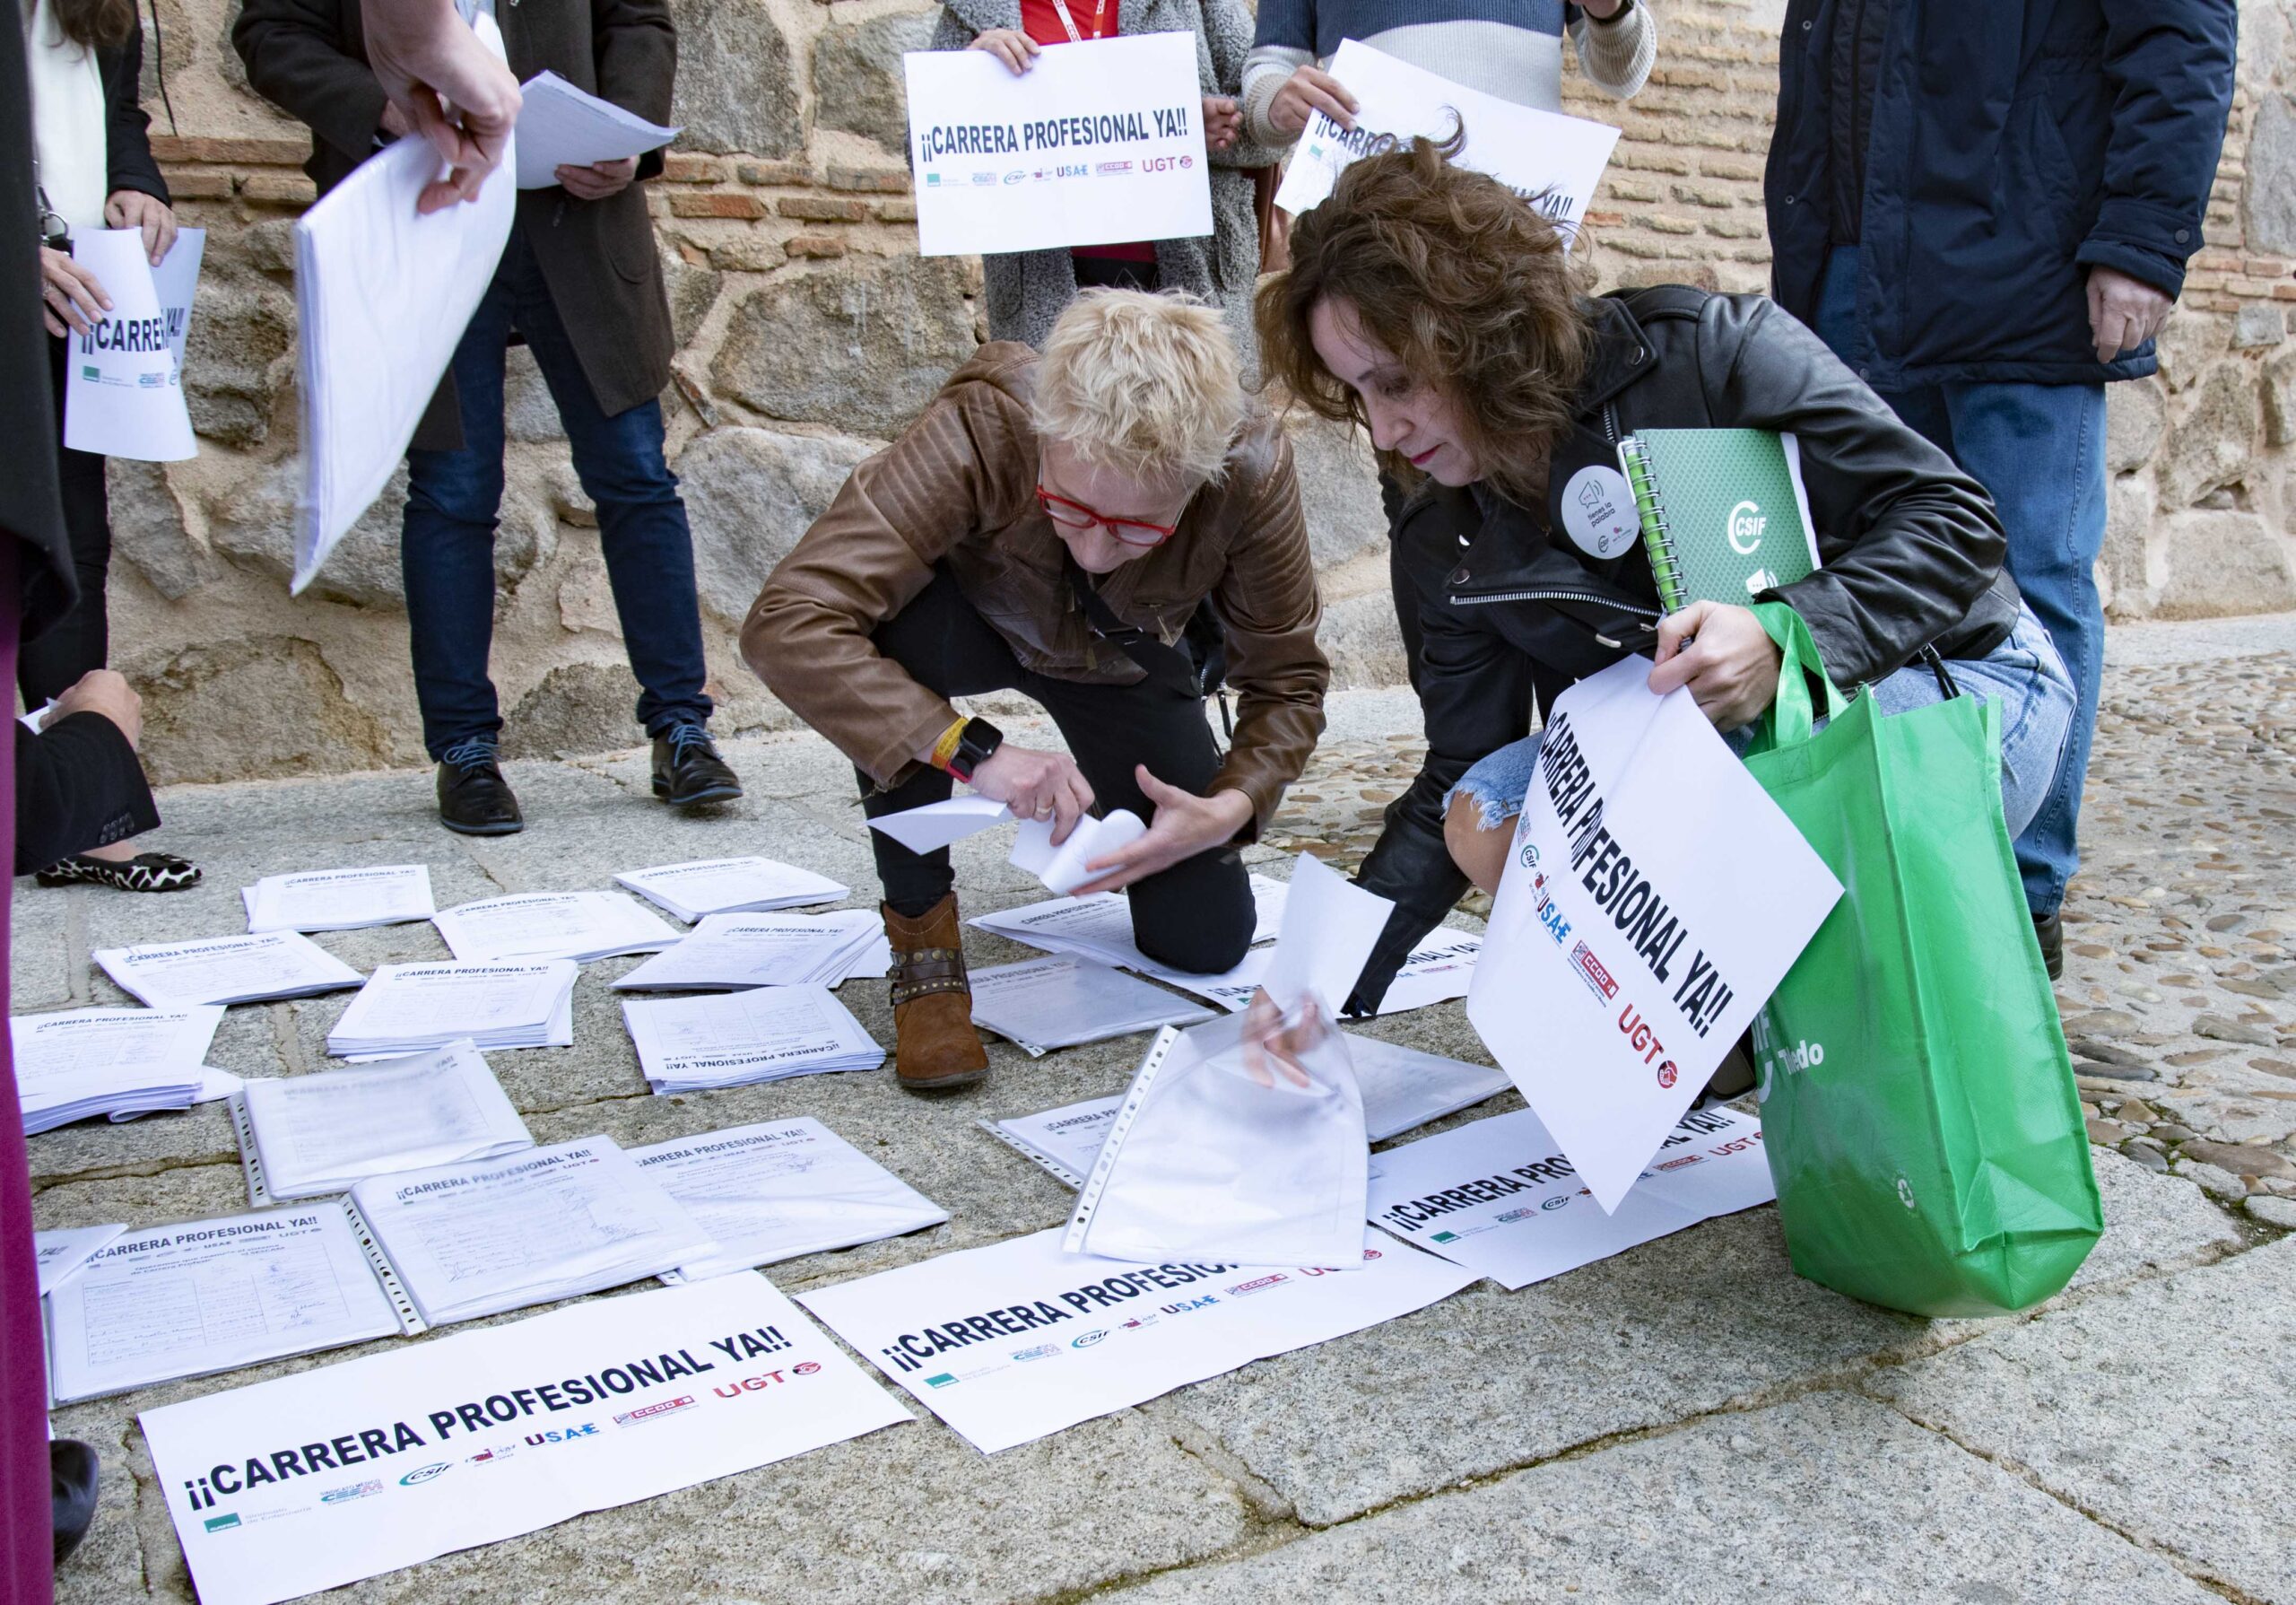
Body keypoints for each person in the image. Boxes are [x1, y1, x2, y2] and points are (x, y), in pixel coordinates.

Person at [1254, 139, 2076, 1012]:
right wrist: (1321, 984)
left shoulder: (1702, 354)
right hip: (1718, 741)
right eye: (1359, 396)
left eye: (1396, 384)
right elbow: (1456, 764)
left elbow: (1956, 523)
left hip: (1950, 676)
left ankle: (1821, 1019)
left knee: (1742, 817)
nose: (1382, 432)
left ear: (1474, 328)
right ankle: (1726, 1044)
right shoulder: (1442, 525)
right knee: (1486, 810)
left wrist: (1783, 636)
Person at [744, 291, 1327, 1091]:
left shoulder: (1252, 469)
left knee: (1206, 939)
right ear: (1047, 432)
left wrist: (1232, 807)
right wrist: (967, 750)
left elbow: (1288, 680)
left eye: (1134, 527)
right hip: (969, 625)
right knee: (879, 639)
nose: (1093, 550)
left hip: (1119, 655)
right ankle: (923, 945)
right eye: (1070, 506)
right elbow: (790, 620)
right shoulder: (987, 422)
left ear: (1200, 479)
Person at [1762, 0, 2236, 976]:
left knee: (2030, 586)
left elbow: (2179, 33)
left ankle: (2018, 897)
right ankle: (1896, 867)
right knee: (1870, 584)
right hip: (1858, 264)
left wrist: (2142, 240)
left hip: (2027, 256)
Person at [237, 0, 743, 837]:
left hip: (575, 218)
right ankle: (465, 750)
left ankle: (683, 730)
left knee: (637, 479)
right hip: (421, 208)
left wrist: (630, 137)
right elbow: (270, 32)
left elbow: (638, 21)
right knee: (452, 492)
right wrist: (384, 106)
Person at [23, 0, 197, 893]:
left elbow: (117, 114)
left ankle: (84, 806)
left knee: (72, 543)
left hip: (76, 298)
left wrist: (138, 185)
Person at [935, 0, 1273, 353]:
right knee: (1057, 407)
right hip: (1045, 288)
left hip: (1187, 284)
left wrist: (1205, 129)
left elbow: (1269, 130)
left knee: (1195, 406)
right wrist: (970, 76)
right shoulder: (979, 8)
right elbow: (928, 149)